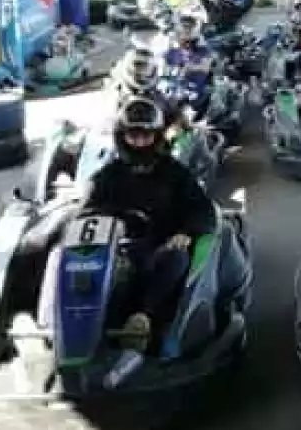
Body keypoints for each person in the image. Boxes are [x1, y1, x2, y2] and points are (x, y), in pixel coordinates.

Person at [80, 96, 217, 356]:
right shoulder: (108, 176)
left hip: (159, 247)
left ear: (157, 137)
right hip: (115, 252)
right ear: (123, 137)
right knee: (65, 259)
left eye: (146, 136)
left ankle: (143, 321)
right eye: (134, 135)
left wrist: (185, 233)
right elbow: (86, 213)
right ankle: (60, 326)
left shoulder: (174, 173)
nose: (140, 142)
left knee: (176, 259)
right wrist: (112, 224)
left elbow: (203, 211)